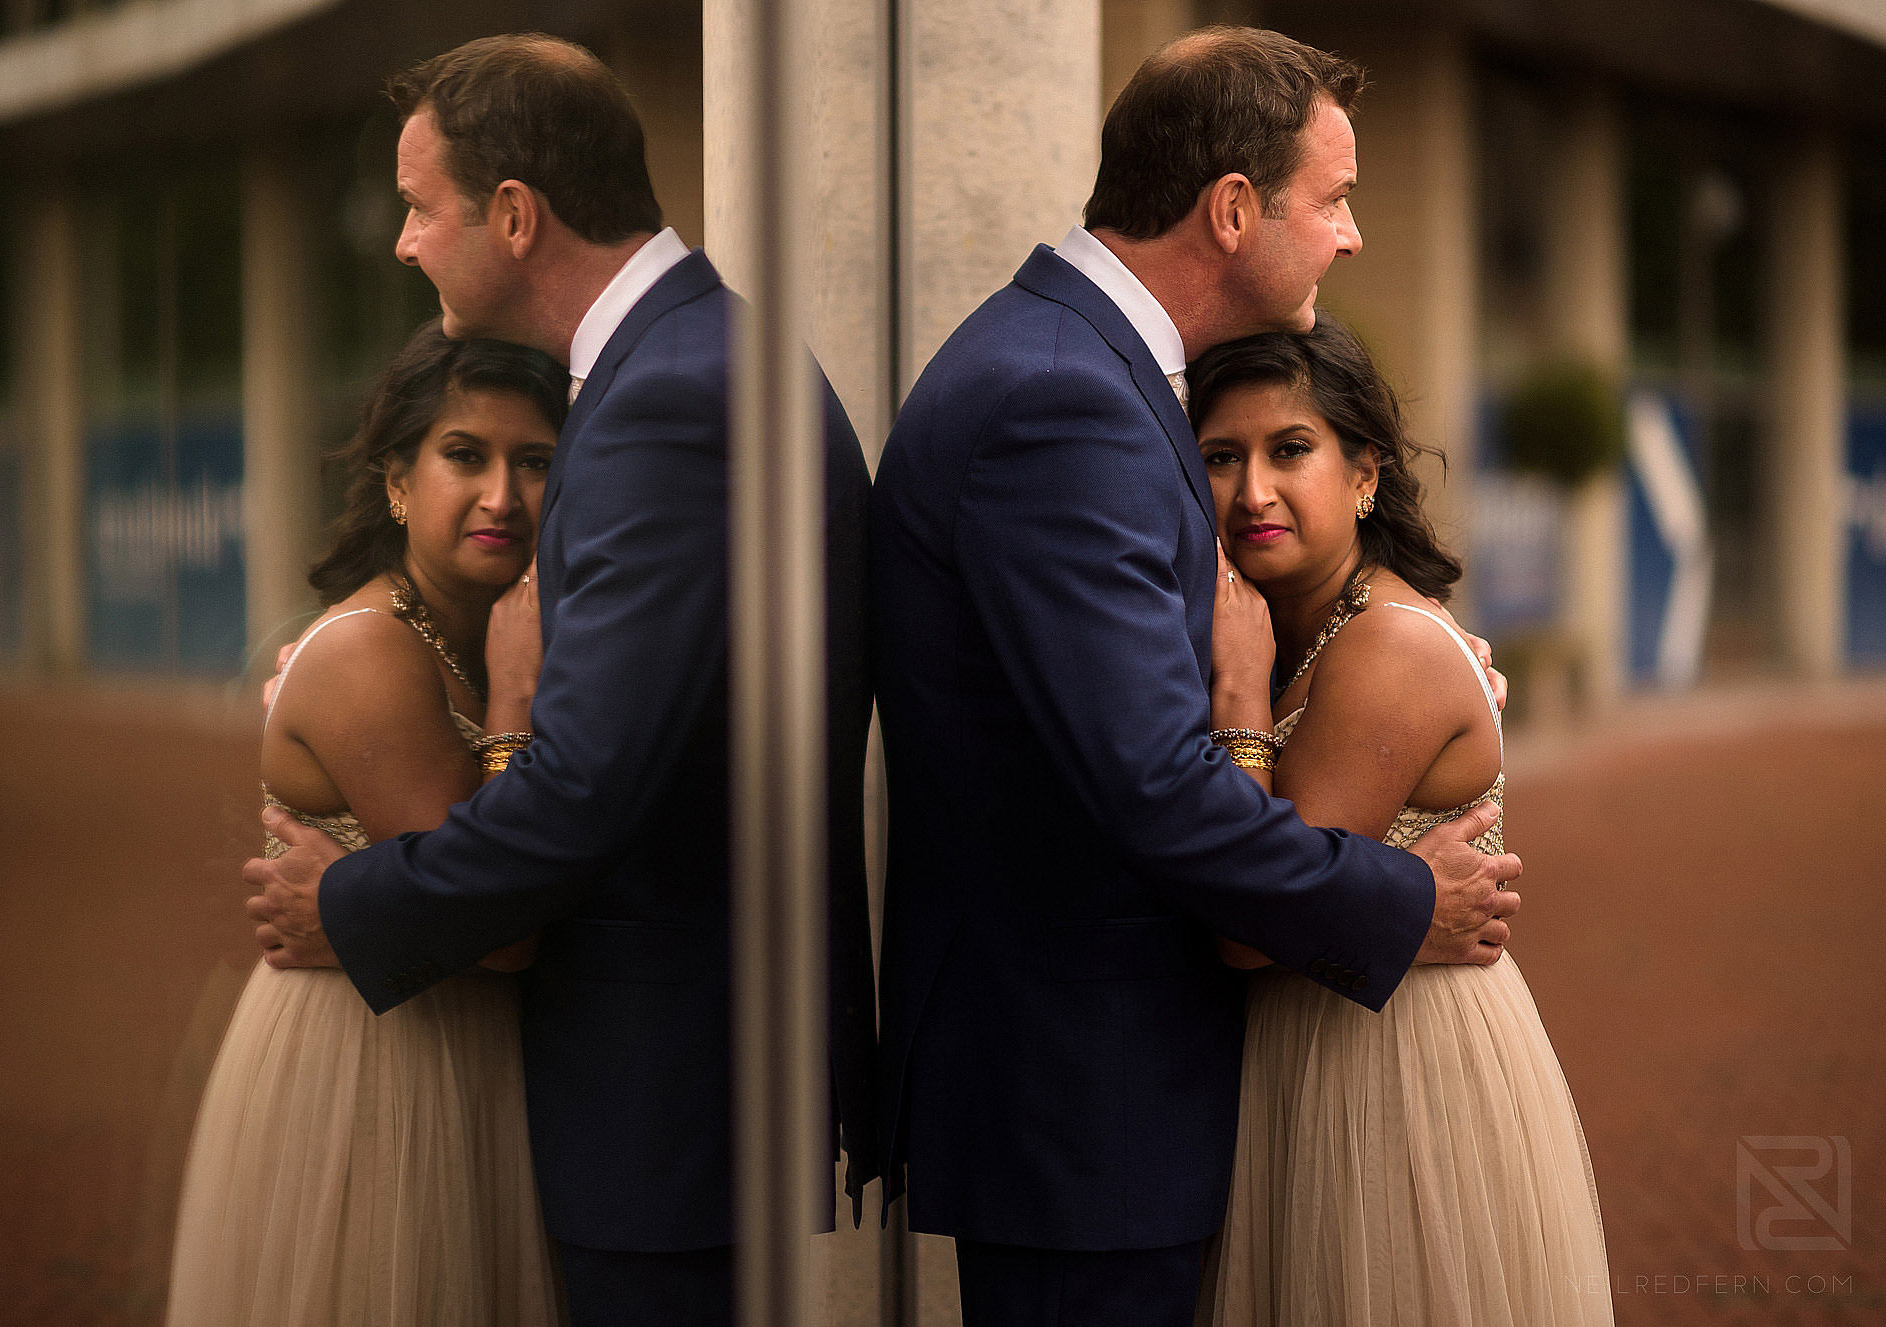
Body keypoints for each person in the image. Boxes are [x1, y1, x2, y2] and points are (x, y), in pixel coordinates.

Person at [869, 26, 1522, 1326]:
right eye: (1330, 199)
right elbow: (1155, 784)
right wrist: (1400, 898)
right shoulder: (1064, 398)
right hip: (1085, 1102)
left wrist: (1357, 657)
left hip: (1094, 1091)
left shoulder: (1085, 373)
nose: (1346, 235)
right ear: (1233, 208)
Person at [240, 35, 879, 1327]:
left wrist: (354, 900)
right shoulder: (693, 363)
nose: (409, 241)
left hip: (664, 1079)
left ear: (517, 216)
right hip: (693, 1061)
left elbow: (587, 782)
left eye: (424, 207)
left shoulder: (668, 399)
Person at [1191, 318, 1614, 1326]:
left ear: (1363, 475)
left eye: (1289, 449)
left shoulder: (1387, 649)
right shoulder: (1276, 623)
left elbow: (1252, 926)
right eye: (1219, 456)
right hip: (1298, 1057)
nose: (1253, 490)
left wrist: (1243, 706)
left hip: (1388, 1071)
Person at [165, 321, 568, 1327]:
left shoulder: (499, 628)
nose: (501, 498)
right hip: (373, 1071)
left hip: (466, 1057)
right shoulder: (371, 654)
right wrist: (514, 709)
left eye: (535, 463)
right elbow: (499, 922)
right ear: (397, 482)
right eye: (463, 456)